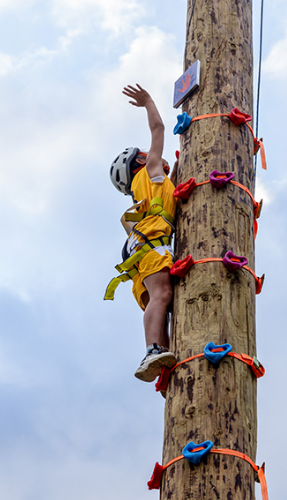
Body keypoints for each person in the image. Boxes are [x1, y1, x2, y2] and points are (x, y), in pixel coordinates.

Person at [109, 84, 178, 382]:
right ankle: (152, 351)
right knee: (162, 295)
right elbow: (159, 127)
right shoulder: (150, 169)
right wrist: (149, 101)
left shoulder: (151, 186)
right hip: (152, 245)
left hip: (141, 251)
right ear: (139, 161)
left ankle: (162, 357)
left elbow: (169, 190)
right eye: (145, 153)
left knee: (161, 301)